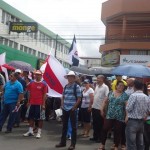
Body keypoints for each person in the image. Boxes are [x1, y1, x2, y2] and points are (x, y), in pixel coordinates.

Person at [98, 81, 129, 150]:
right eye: (120, 85)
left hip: (120, 115)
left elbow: (127, 107)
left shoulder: (125, 95)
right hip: (110, 114)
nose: (121, 87)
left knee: (118, 131)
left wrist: (127, 116)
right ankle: (102, 144)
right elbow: (105, 101)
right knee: (105, 128)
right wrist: (101, 109)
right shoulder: (111, 92)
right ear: (116, 86)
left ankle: (116, 146)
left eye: (122, 86)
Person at [55, 71, 82, 150]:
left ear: (74, 78)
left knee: (73, 127)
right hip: (65, 108)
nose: (70, 78)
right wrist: (62, 104)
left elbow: (79, 98)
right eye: (69, 77)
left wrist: (74, 107)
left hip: (72, 109)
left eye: (71, 77)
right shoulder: (66, 86)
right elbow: (63, 96)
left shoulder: (76, 87)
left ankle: (72, 144)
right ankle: (63, 142)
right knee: (64, 126)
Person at [125, 80, 150, 150]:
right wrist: (145, 116)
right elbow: (149, 110)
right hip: (142, 122)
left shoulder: (133, 96)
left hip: (133, 121)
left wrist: (127, 104)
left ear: (134, 86)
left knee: (131, 143)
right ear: (142, 87)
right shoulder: (146, 97)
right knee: (140, 142)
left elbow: (128, 108)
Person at [23, 70, 47, 139]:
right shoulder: (31, 83)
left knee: (40, 118)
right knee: (31, 117)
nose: (36, 76)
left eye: (38, 74)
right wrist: (28, 102)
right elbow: (29, 92)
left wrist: (43, 104)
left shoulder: (44, 84)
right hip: (32, 103)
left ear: (41, 75)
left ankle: (39, 132)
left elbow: (44, 95)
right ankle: (30, 131)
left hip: (39, 104)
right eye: (36, 74)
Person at [90, 75, 109, 143]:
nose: (97, 80)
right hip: (94, 107)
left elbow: (107, 97)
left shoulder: (105, 87)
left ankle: (100, 138)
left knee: (100, 124)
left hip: (100, 108)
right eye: (97, 78)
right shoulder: (97, 86)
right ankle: (95, 136)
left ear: (102, 79)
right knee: (95, 123)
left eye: (98, 78)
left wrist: (103, 108)